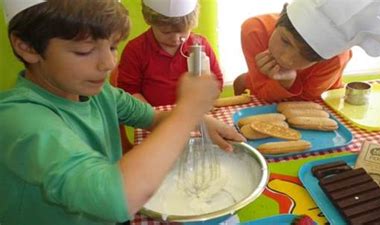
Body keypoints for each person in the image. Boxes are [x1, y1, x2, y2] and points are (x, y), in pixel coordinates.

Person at [0, 1, 244, 225]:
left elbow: (153, 117)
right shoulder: (19, 120)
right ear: (27, 46)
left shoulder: (101, 94)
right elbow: (116, 198)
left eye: (113, 46)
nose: (108, 63)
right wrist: (188, 111)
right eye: (84, 51)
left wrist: (200, 120)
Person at [235, 0, 380, 102]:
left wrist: (287, 81)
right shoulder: (255, 31)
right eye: (285, 41)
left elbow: (308, 104)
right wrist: (284, 83)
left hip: (321, 101)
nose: (287, 59)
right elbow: (261, 92)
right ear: (282, 15)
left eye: (306, 56)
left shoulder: (335, 59)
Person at [117, 0, 224, 106]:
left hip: (195, 115)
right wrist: (152, 116)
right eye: (166, 32)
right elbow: (129, 91)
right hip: (154, 119)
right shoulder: (136, 50)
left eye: (183, 31)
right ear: (150, 22)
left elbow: (217, 81)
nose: (175, 39)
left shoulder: (201, 45)